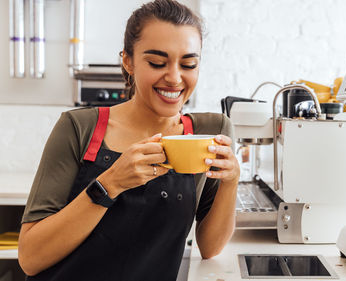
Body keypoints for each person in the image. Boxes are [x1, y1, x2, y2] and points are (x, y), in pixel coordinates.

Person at [17, 0, 240, 280]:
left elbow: (210, 247)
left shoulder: (211, 130)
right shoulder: (79, 127)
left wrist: (231, 181)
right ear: (128, 61)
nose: (174, 78)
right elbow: (30, 258)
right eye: (157, 62)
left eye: (188, 63)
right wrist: (110, 184)